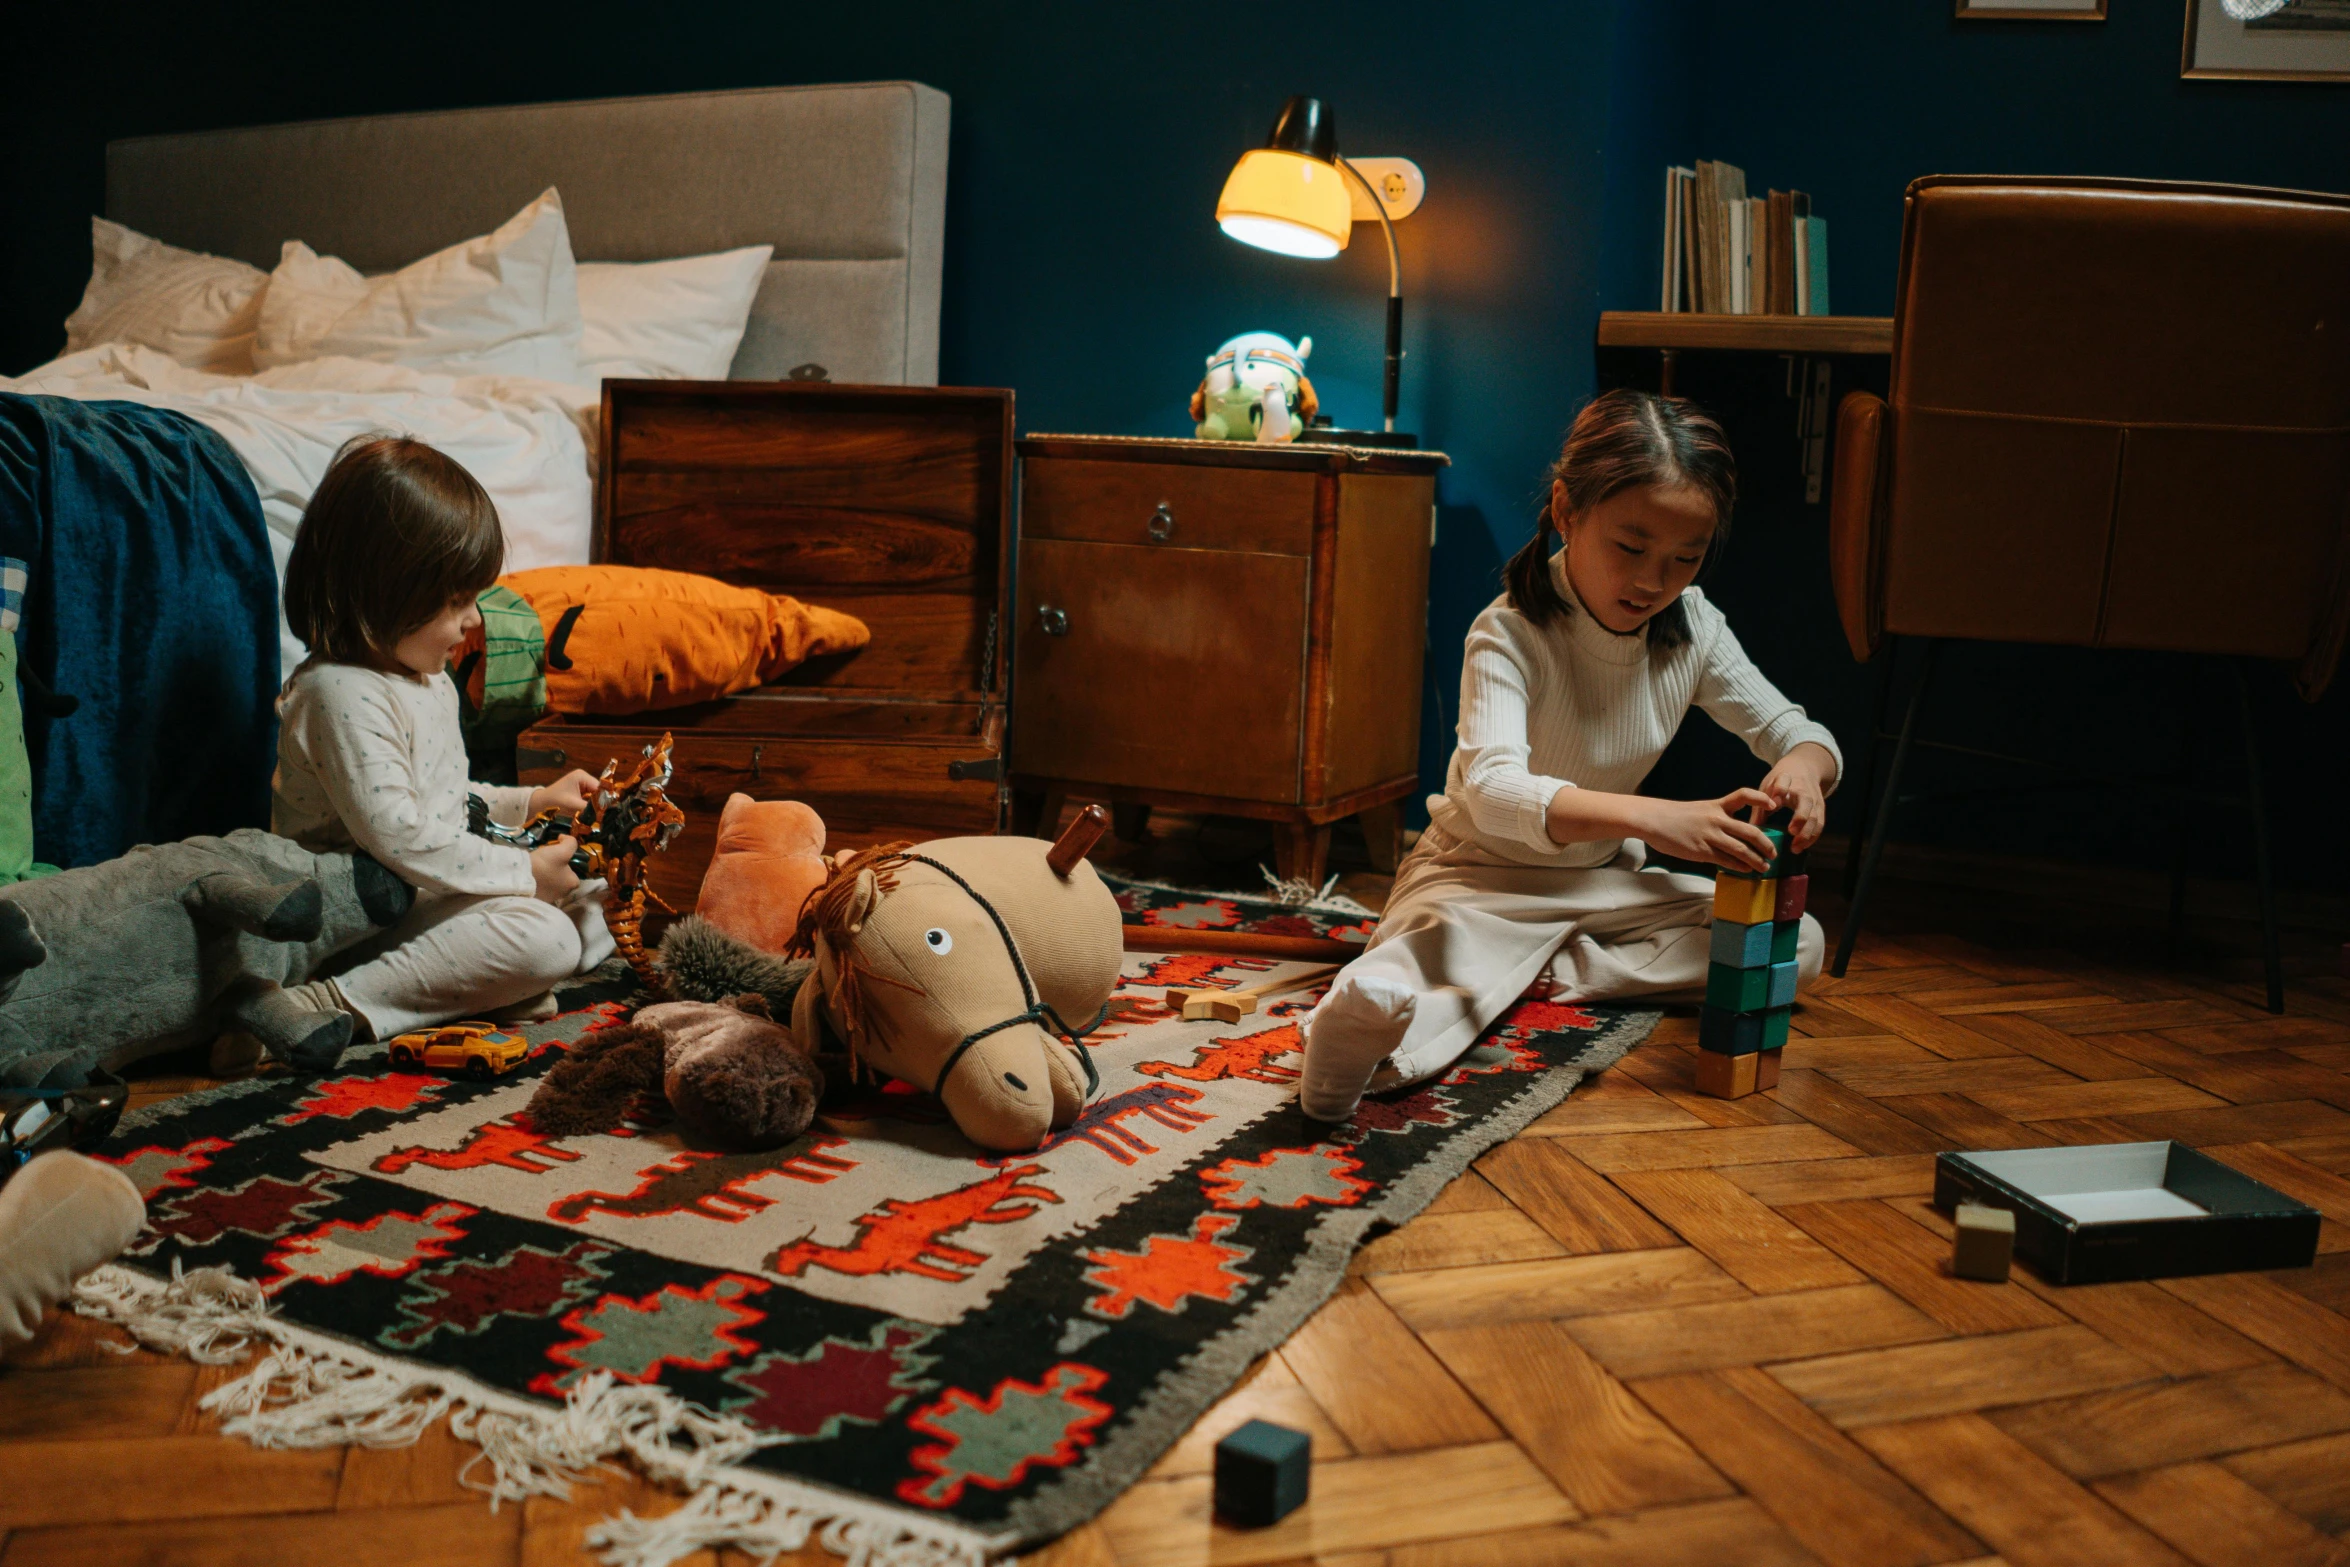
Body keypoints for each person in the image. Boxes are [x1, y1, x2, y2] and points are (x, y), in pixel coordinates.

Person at [1298, 390, 1842, 1122]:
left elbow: (1791, 725)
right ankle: (1345, 1051)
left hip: (1597, 891)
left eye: (1685, 557)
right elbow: (1494, 790)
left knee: (1792, 944)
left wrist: (1806, 768)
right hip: (1474, 879)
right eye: (1631, 547)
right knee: (1425, 952)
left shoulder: (1694, 628)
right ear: (1566, 509)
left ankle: (1552, 971)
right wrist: (1656, 820)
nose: (1654, 580)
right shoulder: (1508, 632)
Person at [266, 435, 612, 1056]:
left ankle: (476, 982)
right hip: (355, 917)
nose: (475, 620)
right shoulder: (337, 693)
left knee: (595, 897)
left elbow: (447, 799)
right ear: (381, 594)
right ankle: (322, 1004)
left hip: (419, 887)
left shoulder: (425, 676)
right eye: (457, 602)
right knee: (548, 937)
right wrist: (523, 874)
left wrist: (533, 800)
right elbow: (399, 834)